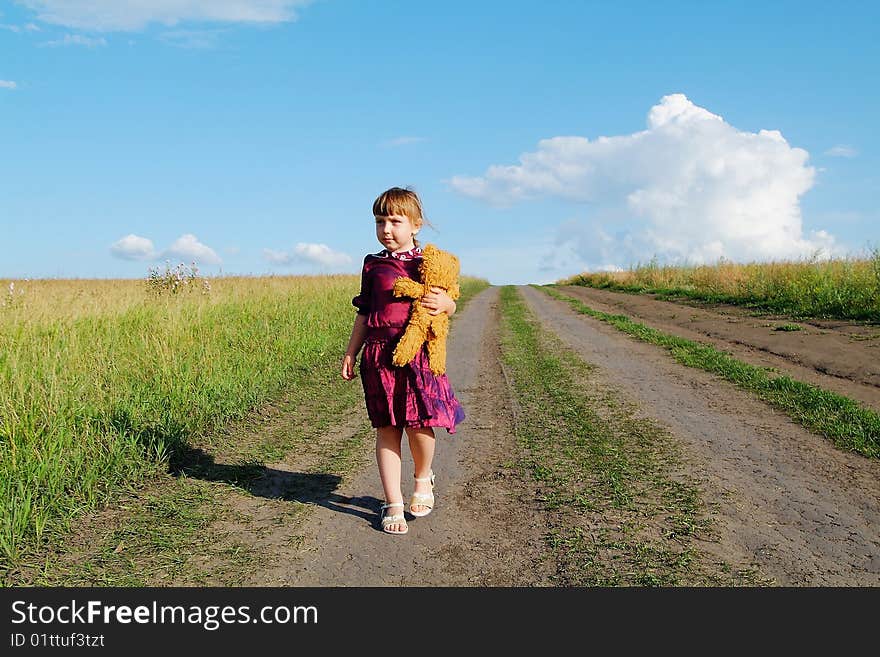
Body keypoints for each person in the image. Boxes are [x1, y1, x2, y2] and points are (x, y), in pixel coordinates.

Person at [341, 187, 465, 535]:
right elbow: (364, 313)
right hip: (379, 355)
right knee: (387, 428)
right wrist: (352, 351)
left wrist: (447, 307)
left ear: (415, 225)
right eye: (380, 221)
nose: (387, 229)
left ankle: (423, 477)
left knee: (419, 424)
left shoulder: (428, 263)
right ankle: (392, 502)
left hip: (419, 355)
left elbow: (448, 299)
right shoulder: (373, 264)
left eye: (395, 221)